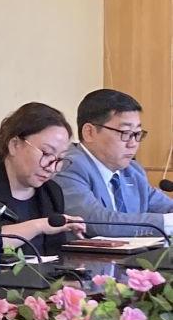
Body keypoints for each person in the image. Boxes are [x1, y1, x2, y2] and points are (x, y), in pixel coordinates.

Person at [0, 103, 86, 255]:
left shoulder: (52, 192)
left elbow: (55, 256)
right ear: (14, 145)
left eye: (60, 158)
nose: (52, 168)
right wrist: (39, 226)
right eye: (46, 153)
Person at [55, 89, 173, 237]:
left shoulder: (133, 171)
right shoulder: (68, 166)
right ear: (89, 132)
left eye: (137, 134)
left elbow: (166, 207)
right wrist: (166, 223)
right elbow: (96, 223)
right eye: (125, 133)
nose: (133, 144)